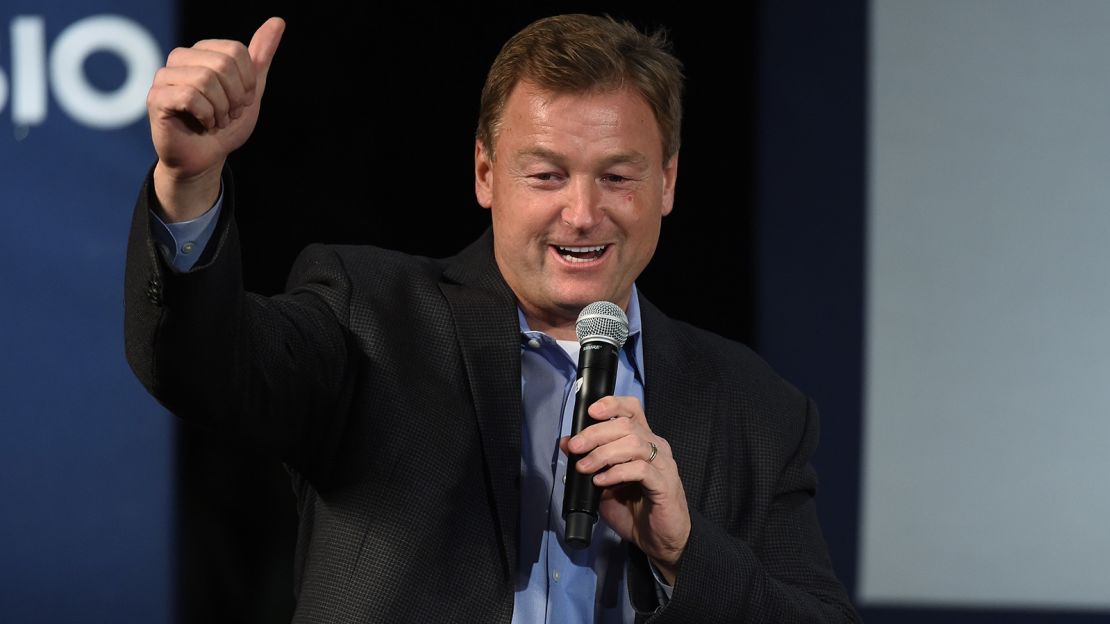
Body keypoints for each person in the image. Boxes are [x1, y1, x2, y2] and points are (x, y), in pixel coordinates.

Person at [125, 13, 859, 623]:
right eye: (545, 175)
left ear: (666, 182)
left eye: (617, 176)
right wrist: (190, 182)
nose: (581, 213)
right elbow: (202, 365)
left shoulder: (755, 406)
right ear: (485, 174)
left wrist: (685, 551)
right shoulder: (372, 316)